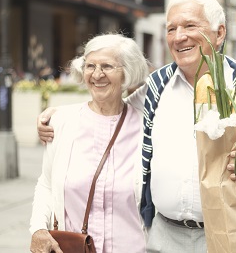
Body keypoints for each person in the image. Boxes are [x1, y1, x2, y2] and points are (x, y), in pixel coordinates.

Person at [36, 0, 236, 253]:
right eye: (171, 29)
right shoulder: (156, 86)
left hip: (227, 235)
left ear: (219, 32)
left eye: (189, 26)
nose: (178, 36)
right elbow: (109, 103)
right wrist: (59, 114)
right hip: (163, 236)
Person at [29, 33, 149, 253]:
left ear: (127, 73)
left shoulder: (146, 128)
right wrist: (37, 229)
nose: (97, 74)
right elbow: (46, 184)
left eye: (107, 66)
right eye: (90, 66)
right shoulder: (61, 122)